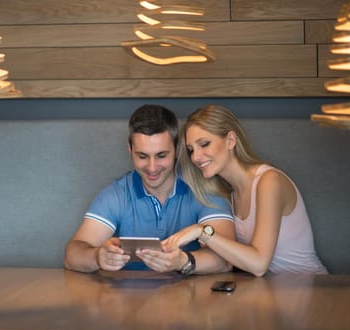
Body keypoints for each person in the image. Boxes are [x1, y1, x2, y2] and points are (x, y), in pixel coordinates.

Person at [64, 104, 235, 273]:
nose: (152, 168)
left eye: (161, 155)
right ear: (130, 150)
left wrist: (183, 262)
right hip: (129, 298)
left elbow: (226, 259)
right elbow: (72, 254)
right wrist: (97, 257)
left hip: (190, 297)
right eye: (142, 156)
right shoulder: (117, 194)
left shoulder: (204, 187)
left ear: (176, 150)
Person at [165, 104, 328, 276]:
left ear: (230, 140)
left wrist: (201, 231)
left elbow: (259, 265)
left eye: (204, 144)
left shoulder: (269, 181)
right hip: (270, 293)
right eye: (191, 150)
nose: (196, 157)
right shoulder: (230, 192)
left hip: (311, 288)